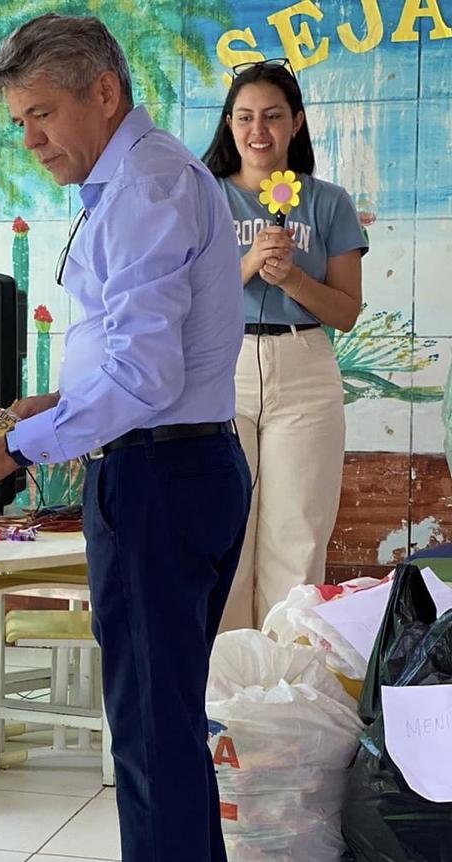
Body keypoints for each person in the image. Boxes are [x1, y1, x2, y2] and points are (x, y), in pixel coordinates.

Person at [0, 14, 251, 862]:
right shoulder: (139, 181)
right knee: (161, 720)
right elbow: (142, 361)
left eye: (42, 113)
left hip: (158, 476)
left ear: (104, 92)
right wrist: (60, 404)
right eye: (17, 122)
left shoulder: (145, 191)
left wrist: (11, 450)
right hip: (171, 463)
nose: (29, 139)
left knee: (149, 730)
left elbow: (145, 381)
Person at [202, 60, 366, 631]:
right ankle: (219, 700)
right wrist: (249, 263)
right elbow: (187, 300)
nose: (258, 131)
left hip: (304, 366)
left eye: (272, 116)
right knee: (224, 534)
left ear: (295, 123)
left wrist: (293, 279)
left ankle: (282, 693)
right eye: (244, 117)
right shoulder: (206, 198)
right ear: (228, 125)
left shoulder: (328, 203)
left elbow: (346, 311)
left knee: (296, 534)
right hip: (224, 365)